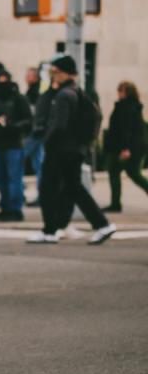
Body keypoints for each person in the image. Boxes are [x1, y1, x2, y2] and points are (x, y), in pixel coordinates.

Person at [27, 55, 116, 245]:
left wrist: (47, 141)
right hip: (75, 149)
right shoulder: (76, 92)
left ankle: (50, 230)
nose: (53, 76)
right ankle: (100, 224)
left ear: (64, 73)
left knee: (48, 189)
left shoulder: (63, 95)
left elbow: (59, 125)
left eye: (55, 72)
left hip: (60, 150)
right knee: (73, 188)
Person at [0, 71, 32, 222]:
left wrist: (11, 126)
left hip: (13, 144)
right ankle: (5, 207)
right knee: (0, 178)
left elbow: (28, 121)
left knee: (14, 178)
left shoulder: (18, 99)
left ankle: (15, 208)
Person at [102, 81, 148, 212]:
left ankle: (115, 204)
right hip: (129, 147)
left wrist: (126, 149)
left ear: (126, 93)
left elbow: (126, 130)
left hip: (125, 148)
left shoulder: (126, 107)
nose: (118, 93)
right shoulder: (133, 107)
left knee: (125, 173)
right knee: (131, 173)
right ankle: (115, 203)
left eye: (120, 91)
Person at [23, 66, 46, 206]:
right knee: (39, 164)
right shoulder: (36, 90)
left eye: (29, 75)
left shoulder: (35, 91)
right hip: (38, 132)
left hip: (34, 132)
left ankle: (20, 193)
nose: (26, 77)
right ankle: (41, 195)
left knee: (18, 158)